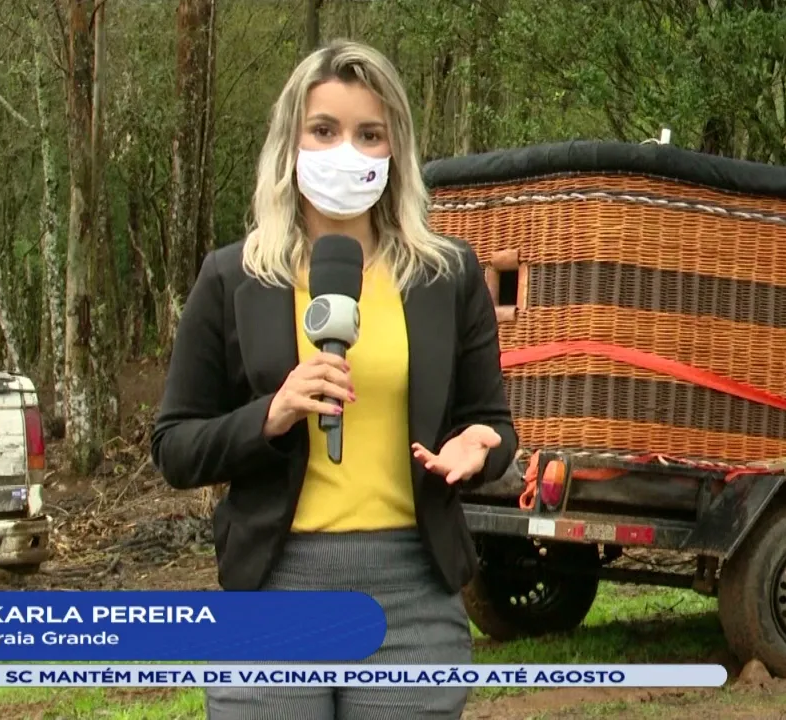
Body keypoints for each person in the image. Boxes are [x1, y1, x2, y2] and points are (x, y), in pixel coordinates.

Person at [150, 38, 518, 720]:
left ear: (395, 151)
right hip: (274, 594)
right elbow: (175, 446)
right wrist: (272, 413)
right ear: (290, 142)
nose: (345, 150)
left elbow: (493, 423)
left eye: (368, 134)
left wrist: (482, 447)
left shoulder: (447, 275)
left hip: (412, 596)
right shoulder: (233, 277)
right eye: (324, 130)